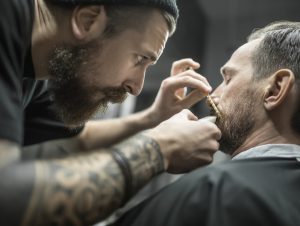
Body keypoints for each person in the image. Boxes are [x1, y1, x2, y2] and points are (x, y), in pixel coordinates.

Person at [0, 0, 223, 226]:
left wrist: (153, 118)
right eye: (140, 59)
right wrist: (159, 149)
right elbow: (5, 195)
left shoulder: (37, 75)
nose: (136, 87)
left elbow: (81, 137)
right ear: (88, 21)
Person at [113, 21, 300, 226]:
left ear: (275, 89)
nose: (214, 94)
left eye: (228, 79)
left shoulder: (212, 191)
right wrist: (152, 117)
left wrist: (157, 149)